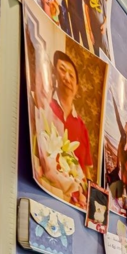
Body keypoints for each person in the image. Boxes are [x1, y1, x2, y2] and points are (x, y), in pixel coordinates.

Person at [45, 50, 93, 207]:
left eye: (71, 75)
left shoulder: (81, 127)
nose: (66, 77)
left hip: (73, 203)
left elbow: (86, 171)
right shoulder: (45, 108)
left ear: (77, 87)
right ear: (54, 73)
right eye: (62, 70)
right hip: (46, 192)